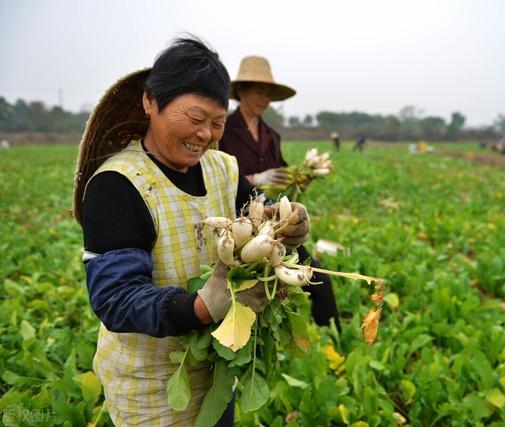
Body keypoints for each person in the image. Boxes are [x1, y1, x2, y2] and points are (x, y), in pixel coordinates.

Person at [72, 37, 310, 426]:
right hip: (150, 391)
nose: (205, 135)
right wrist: (198, 307)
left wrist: (287, 226)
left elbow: (264, 219)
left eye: (217, 124)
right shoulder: (118, 185)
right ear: (150, 102)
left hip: (217, 375)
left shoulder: (224, 169)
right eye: (195, 119)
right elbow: (116, 297)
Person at [219, 55, 341, 330]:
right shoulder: (223, 130)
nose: (265, 99)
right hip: (237, 226)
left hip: (274, 222)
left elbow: (283, 174)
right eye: (259, 91)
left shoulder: (271, 135)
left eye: (269, 94)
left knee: (317, 276)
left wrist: (300, 178)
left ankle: (334, 339)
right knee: (249, 292)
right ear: (242, 92)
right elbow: (216, 175)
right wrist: (252, 178)